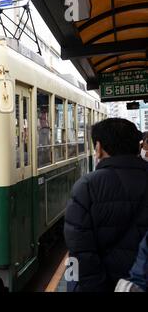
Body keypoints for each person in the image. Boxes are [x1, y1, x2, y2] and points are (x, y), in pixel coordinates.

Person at [64, 118, 148, 292]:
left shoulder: (87, 187)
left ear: (99, 148)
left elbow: (80, 252)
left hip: (104, 283)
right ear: (138, 146)